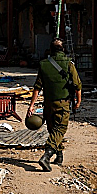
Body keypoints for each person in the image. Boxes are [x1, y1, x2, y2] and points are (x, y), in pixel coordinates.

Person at [26, 38, 82, 172]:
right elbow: (77, 85)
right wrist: (78, 102)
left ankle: (59, 155)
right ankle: (46, 156)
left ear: (50, 50)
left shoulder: (44, 64)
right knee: (60, 129)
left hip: (48, 104)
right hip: (63, 103)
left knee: (53, 130)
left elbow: (37, 87)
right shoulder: (69, 64)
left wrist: (31, 105)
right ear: (63, 49)